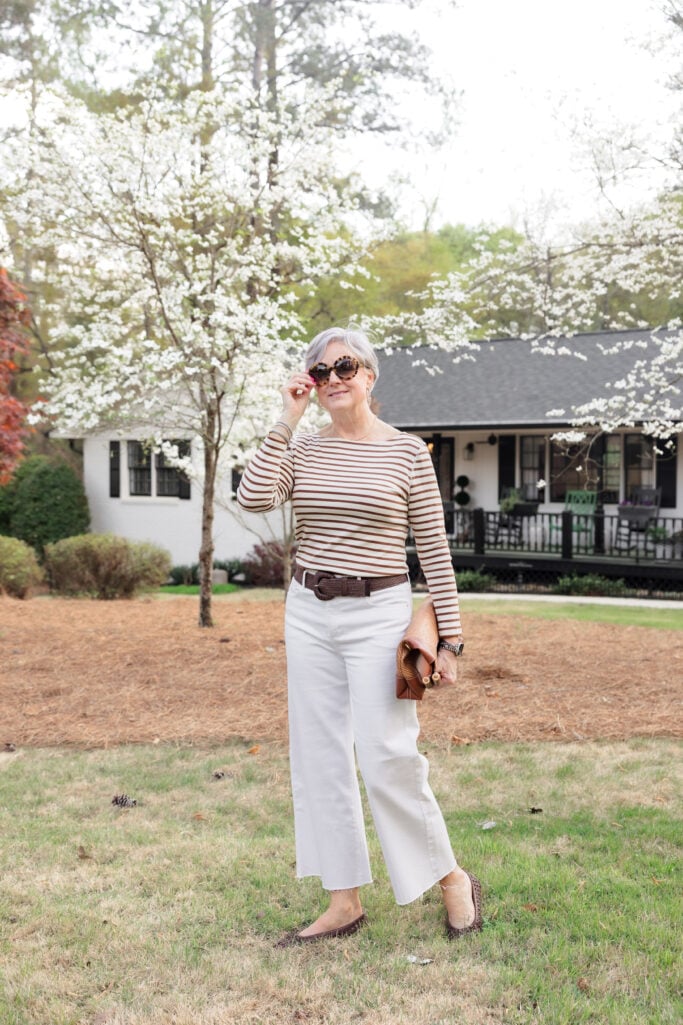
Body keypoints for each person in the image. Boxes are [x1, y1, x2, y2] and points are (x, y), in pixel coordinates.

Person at [237, 325, 482, 946]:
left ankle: (452, 876)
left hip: (379, 612)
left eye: (345, 366)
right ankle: (343, 900)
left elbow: (434, 548)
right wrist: (287, 418)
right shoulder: (304, 447)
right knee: (319, 756)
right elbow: (254, 495)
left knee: (387, 754)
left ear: (370, 376)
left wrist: (449, 639)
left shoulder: (405, 454)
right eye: (320, 372)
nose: (334, 379)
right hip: (308, 610)